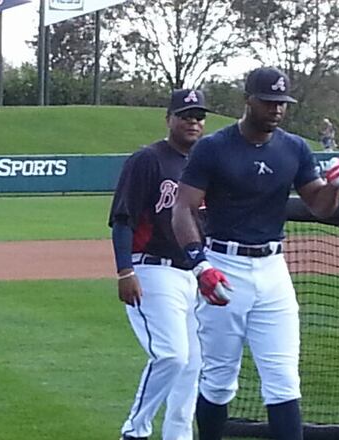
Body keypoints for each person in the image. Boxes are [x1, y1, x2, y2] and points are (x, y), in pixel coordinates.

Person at [171, 67, 339, 440]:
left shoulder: (294, 147)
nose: (277, 110)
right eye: (269, 102)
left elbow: (319, 207)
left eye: (282, 103)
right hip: (223, 264)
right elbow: (183, 209)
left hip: (273, 269)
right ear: (248, 100)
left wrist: (335, 187)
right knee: (220, 378)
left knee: (284, 379)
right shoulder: (214, 147)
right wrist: (200, 264)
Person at [109, 89, 210, 440]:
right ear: (169, 118)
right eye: (185, 115)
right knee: (171, 356)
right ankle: (135, 431)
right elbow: (123, 218)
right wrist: (125, 270)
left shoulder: (203, 165)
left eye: (198, 116)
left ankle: (177, 436)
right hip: (153, 269)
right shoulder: (148, 159)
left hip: (194, 273)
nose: (193, 122)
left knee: (194, 366)